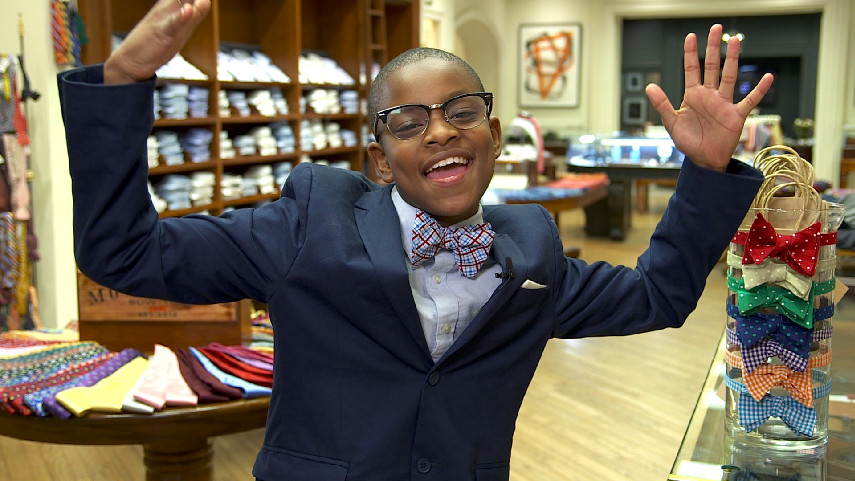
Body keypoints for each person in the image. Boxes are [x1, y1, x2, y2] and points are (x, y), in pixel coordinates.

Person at [57, 0, 771, 479]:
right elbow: (123, 252)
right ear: (378, 161)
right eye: (407, 123)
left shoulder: (532, 254)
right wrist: (120, 84)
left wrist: (706, 172)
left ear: (493, 136)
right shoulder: (306, 225)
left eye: (460, 110)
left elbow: (657, 295)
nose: (437, 131)